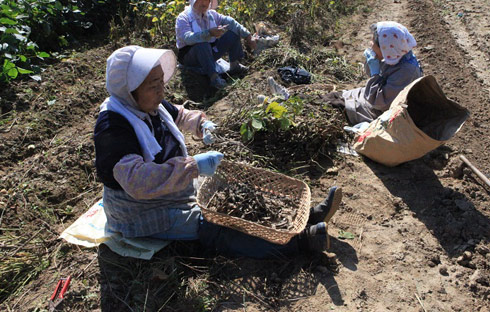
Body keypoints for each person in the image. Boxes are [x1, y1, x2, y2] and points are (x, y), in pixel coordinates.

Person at [94, 45, 342, 258]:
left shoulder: (148, 105)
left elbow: (180, 114)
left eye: (162, 83)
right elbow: (138, 181)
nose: (161, 91)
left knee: (232, 187)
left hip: (173, 186)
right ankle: (302, 242)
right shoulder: (113, 128)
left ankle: (306, 217)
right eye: (153, 86)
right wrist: (193, 167)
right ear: (130, 90)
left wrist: (202, 125)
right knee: (212, 224)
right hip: (139, 209)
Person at [324, 21, 423, 125]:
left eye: (374, 41)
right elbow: (372, 75)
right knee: (331, 96)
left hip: (381, 112)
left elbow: (380, 102)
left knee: (333, 105)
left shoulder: (406, 72)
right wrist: (372, 63)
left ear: (386, 47)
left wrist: (375, 74)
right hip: (370, 98)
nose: (371, 44)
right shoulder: (395, 55)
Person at [175, 0, 257, 89]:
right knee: (202, 43)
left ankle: (234, 65)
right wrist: (208, 33)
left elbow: (230, 22)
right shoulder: (183, 18)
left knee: (232, 33)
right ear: (192, 1)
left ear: (209, 1)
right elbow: (188, 38)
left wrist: (248, 36)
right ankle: (214, 78)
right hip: (191, 56)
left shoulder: (212, 15)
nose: (203, 3)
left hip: (209, 52)